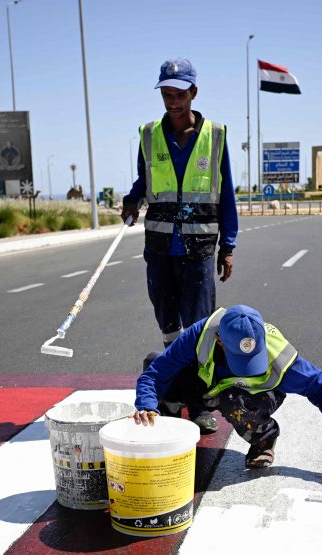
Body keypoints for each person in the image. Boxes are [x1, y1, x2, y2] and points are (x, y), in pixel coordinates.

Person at [121, 58, 238, 434]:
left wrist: (228, 246)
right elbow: (145, 180)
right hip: (159, 247)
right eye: (167, 94)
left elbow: (227, 194)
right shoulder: (149, 134)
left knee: (201, 331)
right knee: (170, 329)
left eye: (179, 94)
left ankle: (202, 404)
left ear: (193, 92)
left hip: (200, 248)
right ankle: (173, 395)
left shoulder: (215, 135)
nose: (172, 101)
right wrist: (131, 199)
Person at [132, 305, 322, 471]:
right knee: (154, 362)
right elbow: (155, 374)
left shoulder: (279, 354)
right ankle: (168, 416)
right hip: (210, 387)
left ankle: (264, 438)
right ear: (219, 340)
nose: (246, 368)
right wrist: (147, 406)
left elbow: (321, 387)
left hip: (256, 397)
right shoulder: (200, 335)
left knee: (233, 399)